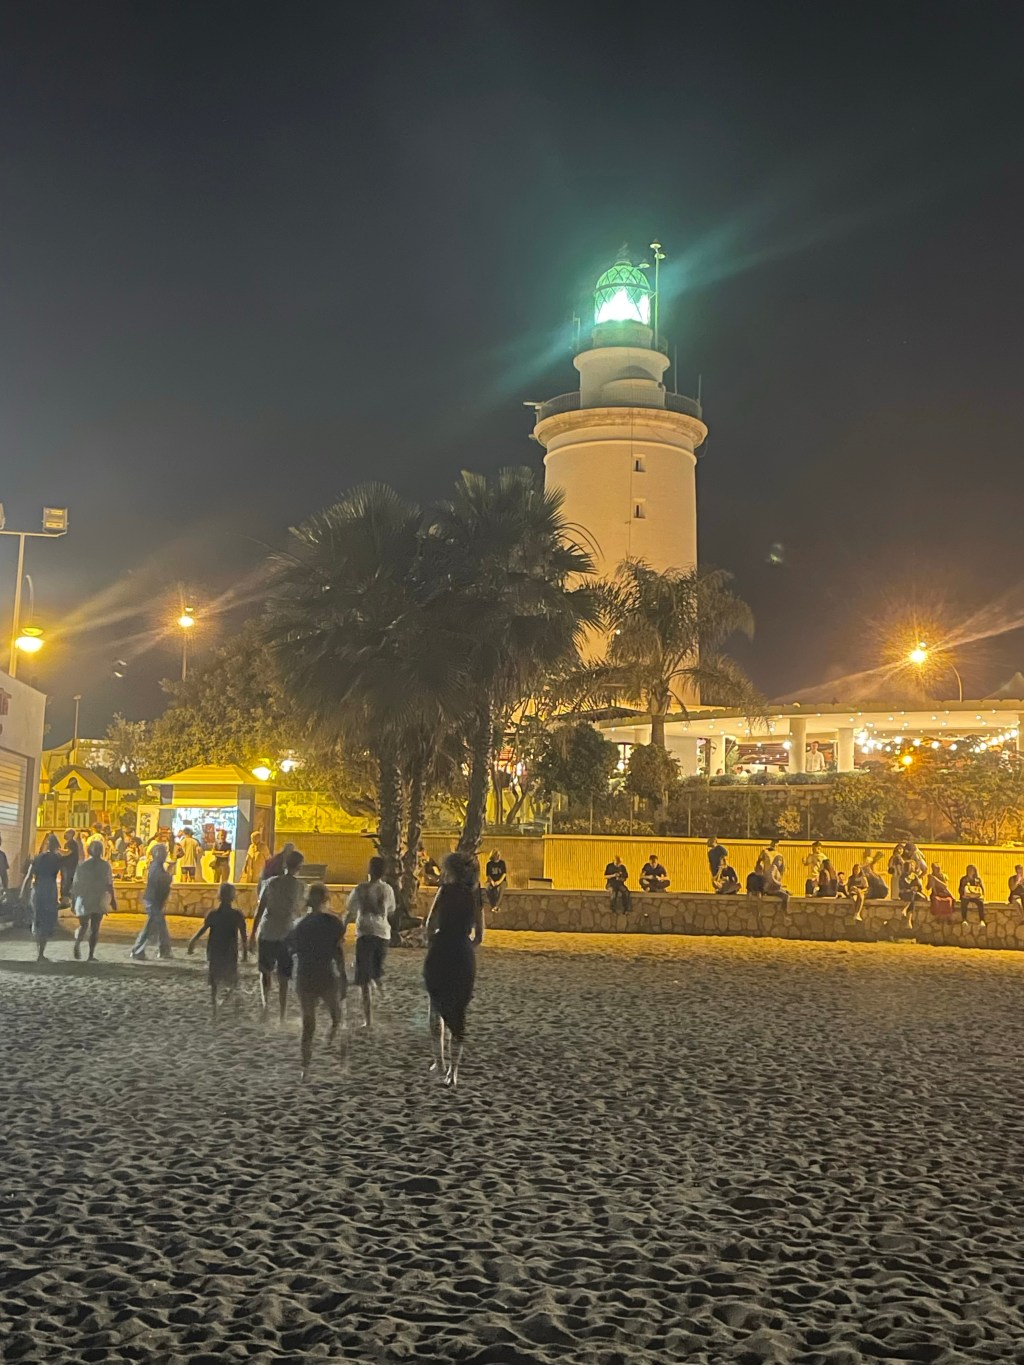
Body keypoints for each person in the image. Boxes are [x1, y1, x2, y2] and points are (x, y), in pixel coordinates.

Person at [423, 851, 484, 1089]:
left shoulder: (445, 892)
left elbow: (430, 926)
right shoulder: (475, 896)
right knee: (459, 1014)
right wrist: (465, 945)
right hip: (462, 953)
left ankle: (438, 1062)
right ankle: (453, 1071)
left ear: (450, 871)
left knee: (435, 1008)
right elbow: (479, 935)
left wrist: (437, 940)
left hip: (441, 950)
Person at [290, 883, 347, 1078]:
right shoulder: (334, 923)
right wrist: (344, 976)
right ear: (326, 899)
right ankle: (331, 1037)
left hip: (305, 974)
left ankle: (305, 1067)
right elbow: (338, 953)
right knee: (336, 1015)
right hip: (325, 974)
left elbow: (294, 951)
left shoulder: (300, 925)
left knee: (308, 1023)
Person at [249, 848, 306, 1019]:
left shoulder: (271, 883)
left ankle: (266, 1005)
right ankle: (282, 1012)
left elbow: (260, 910)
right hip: (287, 932)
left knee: (265, 971)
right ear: (299, 867)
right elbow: (301, 911)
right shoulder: (300, 887)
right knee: (284, 976)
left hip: (268, 930)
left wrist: (252, 934)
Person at [344, 856, 395, 1029]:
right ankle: (382, 991)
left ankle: (369, 1019)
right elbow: (391, 909)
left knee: (364, 979)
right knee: (375, 971)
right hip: (383, 934)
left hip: (365, 933)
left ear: (369, 869)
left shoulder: (360, 889)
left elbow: (349, 910)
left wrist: (342, 928)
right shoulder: (387, 889)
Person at [187, 883, 248, 1020]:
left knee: (214, 981)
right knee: (232, 981)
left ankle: (215, 1008)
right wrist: (244, 953)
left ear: (218, 896)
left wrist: (193, 941)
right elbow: (244, 936)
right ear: (233, 897)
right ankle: (225, 1001)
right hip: (230, 952)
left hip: (215, 951)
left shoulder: (213, 914)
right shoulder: (237, 915)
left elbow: (203, 929)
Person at [70, 838, 117, 961]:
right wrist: (113, 900)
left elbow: (76, 884)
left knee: (84, 925)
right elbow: (109, 883)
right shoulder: (105, 865)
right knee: (94, 928)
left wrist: (74, 900)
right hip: (97, 898)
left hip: (86, 898)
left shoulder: (83, 865)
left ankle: (78, 944)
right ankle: (90, 954)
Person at [21, 833, 63, 962]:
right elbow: (64, 877)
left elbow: (29, 876)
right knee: (47, 919)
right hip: (50, 889)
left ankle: (39, 949)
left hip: (38, 888)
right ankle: (41, 951)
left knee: (38, 917)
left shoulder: (38, 858)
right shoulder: (58, 859)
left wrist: (22, 892)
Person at [130, 843, 174, 960]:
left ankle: (164, 950)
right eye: (162, 853)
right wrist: (169, 874)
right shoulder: (155, 867)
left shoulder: (157, 866)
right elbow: (160, 881)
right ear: (156, 854)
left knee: (160, 926)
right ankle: (138, 950)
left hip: (155, 900)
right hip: (153, 900)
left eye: (165, 852)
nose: (164, 855)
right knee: (152, 926)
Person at [898, 859, 924, 929]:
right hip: (905, 894)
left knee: (919, 897)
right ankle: (908, 919)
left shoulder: (915, 876)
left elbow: (920, 887)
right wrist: (910, 889)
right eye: (911, 865)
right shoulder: (902, 877)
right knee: (911, 894)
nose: (912, 867)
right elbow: (901, 888)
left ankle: (905, 910)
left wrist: (918, 890)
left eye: (913, 865)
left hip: (913, 894)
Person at [59, 828, 80, 907]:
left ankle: (65, 901)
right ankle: (65, 900)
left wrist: (58, 850)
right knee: (66, 883)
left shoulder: (71, 843)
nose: (64, 835)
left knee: (66, 884)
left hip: (69, 868)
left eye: (66, 833)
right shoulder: (69, 843)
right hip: (68, 867)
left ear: (70, 834)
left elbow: (67, 852)